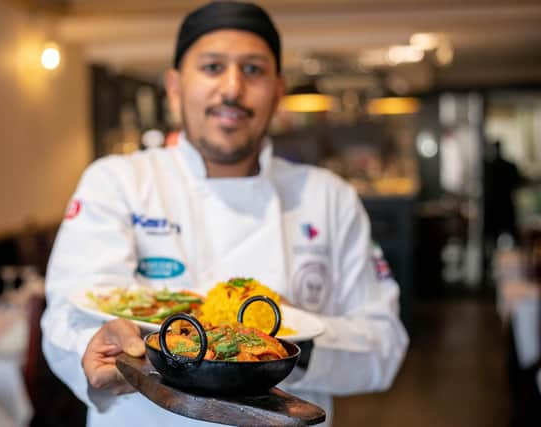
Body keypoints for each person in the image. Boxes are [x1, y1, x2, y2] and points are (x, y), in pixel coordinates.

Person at [41, 2, 408, 426]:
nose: (232, 88)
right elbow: (67, 316)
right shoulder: (117, 182)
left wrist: (290, 341)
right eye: (212, 67)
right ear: (175, 87)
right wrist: (92, 344)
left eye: (252, 70)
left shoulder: (330, 196)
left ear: (278, 90)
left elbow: (384, 346)